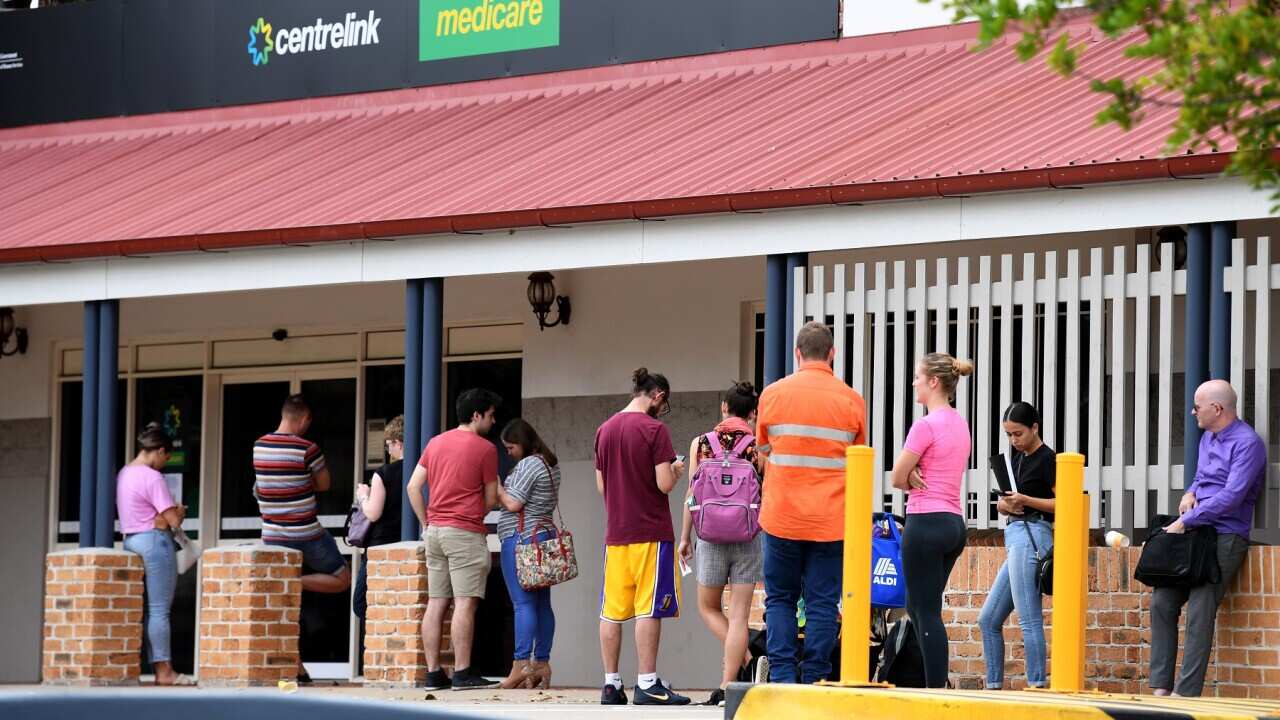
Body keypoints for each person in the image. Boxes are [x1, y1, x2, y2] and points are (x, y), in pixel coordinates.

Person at [755, 322, 866, 684]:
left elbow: (764, 450)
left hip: (782, 517)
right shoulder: (852, 400)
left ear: (797, 354)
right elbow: (857, 459)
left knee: (781, 599)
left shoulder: (772, 395)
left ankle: (783, 677)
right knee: (822, 603)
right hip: (830, 521)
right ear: (832, 354)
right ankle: (816, 677)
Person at [1151, 379, 1265, 697]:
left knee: (1201, 610)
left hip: (1226, 536)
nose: (1192, 412)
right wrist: (1190, 491)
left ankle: (1184, 694)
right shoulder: (1207, 438)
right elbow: (1203, 476)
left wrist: (1184, 521)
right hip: (1196, 532)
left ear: (1217, 408)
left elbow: (1231, 497)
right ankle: (1160, 687)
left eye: (1197, 406)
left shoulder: (1248, 443)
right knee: (1162, 600)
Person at [594, 368, 689, 706]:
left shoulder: (604, 430)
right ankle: (647, 682)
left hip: (616, 534)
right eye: (665, 404)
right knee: (649, 608)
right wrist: (676, 470)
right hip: (651, 532)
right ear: (658, 395)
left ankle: (611, 684)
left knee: (612, 611)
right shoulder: (654, 429)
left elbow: (602, 485)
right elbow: (664, 483)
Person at [407, 388, 503, 691]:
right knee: (464, 603)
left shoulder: (435, 443)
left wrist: (426, 521)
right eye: (490, 414)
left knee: (436, 603)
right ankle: (462, 672)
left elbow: (413, 486)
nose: (493, 420)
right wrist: (473, 510)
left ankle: (433, 674)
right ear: (476, 415)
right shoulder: (485, 449)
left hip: (434, 532)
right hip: (464, 533)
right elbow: (491, 499)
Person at [890, 352, 973, 689]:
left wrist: (910, 476)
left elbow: (896, 477)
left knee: (926, 611)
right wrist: (914, 473)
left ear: (934, 382)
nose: (914, 383)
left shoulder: (925, 425)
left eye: (917, 378)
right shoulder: (960, 423)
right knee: (918, 604)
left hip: (925, 521)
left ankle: (936, 691)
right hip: (953, 523)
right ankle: (931, 680)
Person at [254, 394, 351, 682]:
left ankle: (293, 666)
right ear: (305, 418)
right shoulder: (307, 449)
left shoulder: (259, 446)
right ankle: (297, 582)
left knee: (286, 603)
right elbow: (324, 484)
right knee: (342, 578)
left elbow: (261, 487)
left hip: (272, 534)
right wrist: (301, 478)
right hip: (307, 533)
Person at [678, 381, 763, 706]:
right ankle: (729, 684)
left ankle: (747, 657)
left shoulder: (701, 444)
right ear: (752, 414)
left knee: (709, 607)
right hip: (748, 537)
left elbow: (692, 495)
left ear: (724, 409)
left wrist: (686, 537)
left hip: (709, 536)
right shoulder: (758, 447)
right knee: (740, 614)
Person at [978, 402, 1056, 689]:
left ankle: (1037, 684)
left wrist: (1025, 500)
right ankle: (994, 685)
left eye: (1018, 433)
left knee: (1028, 617)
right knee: (987, 619)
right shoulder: (1017, 458)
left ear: (1035, 427)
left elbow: (1064, 503)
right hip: (1015, 534)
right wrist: (1006, 504)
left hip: (1034, 535)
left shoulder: (1049, 459)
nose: (1014, 440)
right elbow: (1008, 502)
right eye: (1009, 435)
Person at [117, 425, 191, 686]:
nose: (164, 463)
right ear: (159, 451)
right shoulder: (152, 477)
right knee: (159, 611)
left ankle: (154, 669)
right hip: (155, 542)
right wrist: (179, 511)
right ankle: (164, 672)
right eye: (166, 457)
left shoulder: (124, 474)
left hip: (131, 541)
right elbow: (171, 521)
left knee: (144, 610)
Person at [494, 418, 562, 690]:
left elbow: (513, 502)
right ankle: (541, 663)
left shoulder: (529, 464)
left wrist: (497, 486)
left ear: (522, 443)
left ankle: (520, 665)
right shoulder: (550, 464)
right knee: (541, 604)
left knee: (523, 604)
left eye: (510, 447)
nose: (508, 452)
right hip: (543, 537)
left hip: (521, 540)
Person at [353, 415, 406, 623]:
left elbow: (373, 512)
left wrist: (364, 495)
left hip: (381, 547)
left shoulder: (383, 473)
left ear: (397, 443)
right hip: (407, 543)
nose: (388, 451)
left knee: (362, 604)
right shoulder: (422, 471)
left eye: (388, 446)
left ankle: (379, 641)